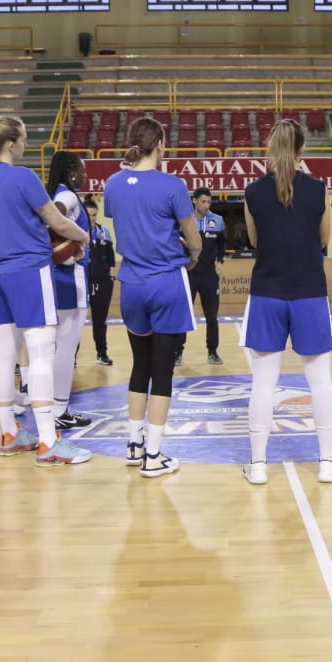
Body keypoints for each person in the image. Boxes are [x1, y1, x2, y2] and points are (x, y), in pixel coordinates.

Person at [0, 114, 92, 464]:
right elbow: (56, 221)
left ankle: (10, 433)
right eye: (24, 139)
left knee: (6, 353)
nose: (26, 145)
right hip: (29, 271)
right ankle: (47, 442)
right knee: (41, 353)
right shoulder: (23, 177)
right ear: (11, 143)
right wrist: (84, 235)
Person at [240, 119, 332, 486]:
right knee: (320, 382)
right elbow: (323, 239)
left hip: (267, 292)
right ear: (303, 151)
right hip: (309, 293)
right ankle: (328, 463)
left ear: (270, 149)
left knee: (263, 384)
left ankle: (258, 465)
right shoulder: (319, 189)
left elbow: (254, 241)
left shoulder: (253, 191)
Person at [105, 116, 203, 478]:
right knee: (163, 371)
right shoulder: (173, 185)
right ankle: (155, 455)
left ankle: (134, 444)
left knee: (139, 365)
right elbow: (192, 239)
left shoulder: (113, 183)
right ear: (161, 142)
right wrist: (194, 253)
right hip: (165, 282)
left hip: (131, 282)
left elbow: (128, 222)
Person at [44, 150, 93, 431]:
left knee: (57, 345)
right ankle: (59, 409)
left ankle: (54, 406)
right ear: (72, 170)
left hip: (57, 277)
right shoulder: (68, 195)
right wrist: (77, 239)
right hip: (69, 275)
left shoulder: (56, 191)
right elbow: (54, 218)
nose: (85, 175)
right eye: (82, 170)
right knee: (66, 346)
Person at [177, 186, 226, 366]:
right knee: (183, 313)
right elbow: (176, 242)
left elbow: (221, 244)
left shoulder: (217, 221)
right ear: (195, 201)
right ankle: (177, 352)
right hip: (189, 272)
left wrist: (220, 262)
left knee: (212, 315)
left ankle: (212, 351)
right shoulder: (185, 220)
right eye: (203, 201)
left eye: (209, 202)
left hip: (209, 275)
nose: (206, 205)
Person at [84, 196, 116, 365]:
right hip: (84, 282)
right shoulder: (77, 232)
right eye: (89, 215)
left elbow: (111, 258)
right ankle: (71, 357)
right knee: (76, 321)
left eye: (94, 215)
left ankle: (102, 353)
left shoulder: (105, 232)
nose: (92, 218)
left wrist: (111, 276)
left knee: (100, 320)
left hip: (104, 282)